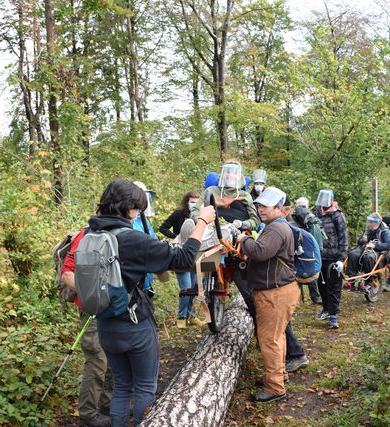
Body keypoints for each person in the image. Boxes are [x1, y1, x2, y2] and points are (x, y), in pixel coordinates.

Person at [87, 179, 215, 426]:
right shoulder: (131, 239)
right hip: (134, 324)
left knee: (122, 385)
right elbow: (185, 257)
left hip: (105, 322)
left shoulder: (91, 233)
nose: (138, 213)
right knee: (145, 385)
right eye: (137, 208)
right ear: (128, 208)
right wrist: (203, 221)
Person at [236, 187, 300, 403]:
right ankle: (278, 375)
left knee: (269, 340)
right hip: (279, 290)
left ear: (279, 208)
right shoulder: (276, 226)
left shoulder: (276, 229)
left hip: (274, 294)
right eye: (259, 205)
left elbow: (260, 252)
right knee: (277, 337)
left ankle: (274, 387)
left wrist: (242, 239)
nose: (260, 209)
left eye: (266, 206)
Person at [192, 161, 261, 315]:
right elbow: (195, 211)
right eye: (227, 172)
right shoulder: (211, 191)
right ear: (222, 174)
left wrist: (242, 223)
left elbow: (255, 221)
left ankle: (258, 321)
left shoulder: (244, 196)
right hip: (210, 230)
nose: (230, 176)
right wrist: (202, 220)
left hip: (234, 239)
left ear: (240, 176)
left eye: (233, 173)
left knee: (247, 291)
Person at [61, 231, 113, 427]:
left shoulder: (122, 230)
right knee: (97, 359)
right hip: (92, 309)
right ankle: (88, 414)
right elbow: (67, 274)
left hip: (113, 309)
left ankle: (107, 404)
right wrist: (92, 295)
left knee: (112, 356)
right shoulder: (88, 235)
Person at [159, 191, 204, 328]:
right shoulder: (179, 214)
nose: (194, 204)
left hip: (196, 253)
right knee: (185, 288)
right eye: (192, 201)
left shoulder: (200, 216)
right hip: (180, 253)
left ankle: (192, 315)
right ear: (186, 202)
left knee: (194, 288)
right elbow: (163, 227)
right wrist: (175, 236)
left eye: (197, 201)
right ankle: (181, 318)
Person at [278, 195, 310, 373]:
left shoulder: (288, 228)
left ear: (286, 209)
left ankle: (296, 355)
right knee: (283, 320)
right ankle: (291, 355)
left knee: (283, 320)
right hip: (286, 280)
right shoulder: (286, 225)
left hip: (285, 281)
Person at [314, 190, 348, 329]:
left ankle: (333, 315)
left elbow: (343, 237)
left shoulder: (338, 215)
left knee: (334, 286)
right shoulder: (316, 214)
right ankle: (326, 308)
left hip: (333, 257)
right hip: (320, 256)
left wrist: (341, 259)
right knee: (321, 285)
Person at [292, 200, 325, 305]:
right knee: (311, 271)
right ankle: (314, 297)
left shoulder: (294, 216)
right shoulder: (310, 218)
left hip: (296, 247)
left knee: (296, 270)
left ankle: (297, 298)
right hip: (309, 248)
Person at [346, 213, 390, 286]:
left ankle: (369, 281)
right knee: (353, 254)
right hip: (365, 248)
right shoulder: (367, 229)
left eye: (371, 222)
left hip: (379, 251)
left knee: (368, 257)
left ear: (377, 222)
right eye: (369, 221)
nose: (369, 224)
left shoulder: (384, 231)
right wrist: (364, 240)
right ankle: (351, 280)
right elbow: (359, 241)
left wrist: (375, 245)